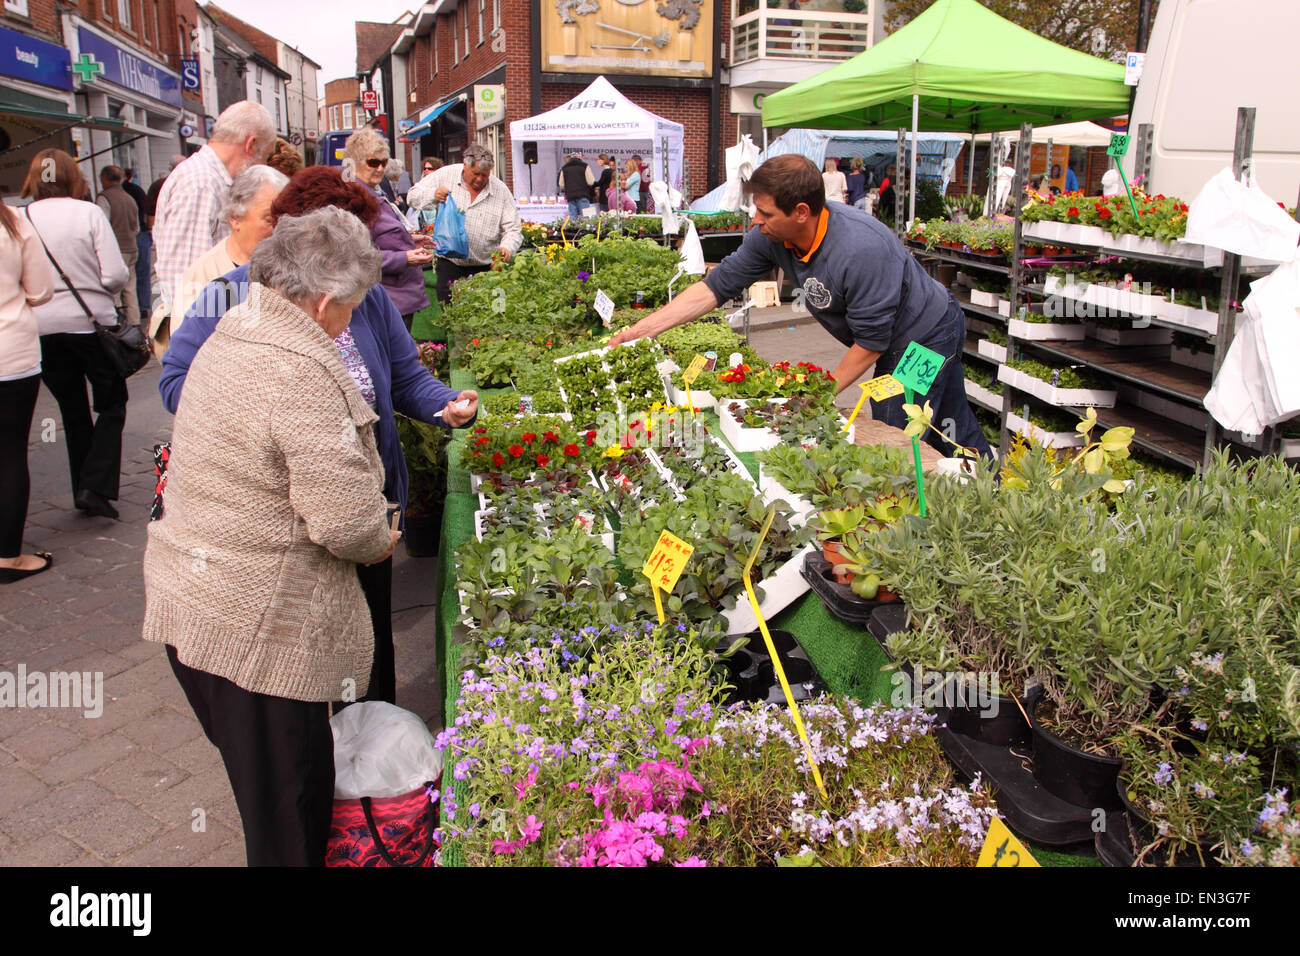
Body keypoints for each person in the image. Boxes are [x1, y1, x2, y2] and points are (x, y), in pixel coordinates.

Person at [159, 166, 478, 708]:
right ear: (296, 238)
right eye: (341, 239)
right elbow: (174, 384)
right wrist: (260, 398)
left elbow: (405, 376)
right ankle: (315, 756)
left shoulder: (365, 295)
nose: (355, 255)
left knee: (370, 653)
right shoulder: (231, 296)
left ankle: (369, 761)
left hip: (366, 508)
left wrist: (445, 407)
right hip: (282, 529)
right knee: (300, 665)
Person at [144, 207, 400, 867]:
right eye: (350, 307)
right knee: (289, 822)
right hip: (256, 638)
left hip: (201, 611)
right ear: (321, 302)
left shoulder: (241, 326)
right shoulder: (299, 368)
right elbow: (345, 521)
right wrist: (382, 534)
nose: (351, 320)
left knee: (273, 802)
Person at [609, 153, 993, 460]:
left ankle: (956, 509)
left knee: (897, 429)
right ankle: (989, 486)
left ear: (802, 212)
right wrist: (641, 330)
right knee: (949, 421)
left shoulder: (861, 249)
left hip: (926, 335)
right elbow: (717, 286)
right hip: (889, 333)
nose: (756, 220)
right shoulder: (770, 236)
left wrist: (813, 399)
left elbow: (872, 343)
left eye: (766, 213)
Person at [20, 149, 132, 519]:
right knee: (112, 402)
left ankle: (83, 488)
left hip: (42, 326)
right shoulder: (87, 213)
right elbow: (116, 274)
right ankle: (95, 485)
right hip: (89, 324)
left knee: (72, 408)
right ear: (73, 176)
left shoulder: (21, 218)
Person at [152, 101, 277, 316]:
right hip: (203, 334)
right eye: (266, 156)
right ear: (251, 144)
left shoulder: (209, 180)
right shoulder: (201, 184)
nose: (263, 165)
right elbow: (189, 283)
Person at [0, 199, 56, 582]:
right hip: (10, 353)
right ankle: (7, 556)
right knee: (9, 454)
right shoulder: (12, 222)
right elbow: (40, 291)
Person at [169, 165, 288, 331]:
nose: (279, 228)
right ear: (235, 218)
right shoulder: (202, 275)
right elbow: (184, 349)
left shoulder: (291, 266)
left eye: (284, 218)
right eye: (269, 220)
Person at [406, 142, 522, 304]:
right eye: (475, 174)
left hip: (488, 268)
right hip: (451, 265)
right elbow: (412, 196)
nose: (480, 179)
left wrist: (507, 247)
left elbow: (514, 229)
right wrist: (433, 195)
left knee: (490, 317)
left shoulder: (500, 190)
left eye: (485, 175)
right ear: (465, 167)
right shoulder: (446, 175)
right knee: (452, 317)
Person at [343, 128, 432, 327]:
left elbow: (378, 236)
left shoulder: (371, 192)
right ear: (356, 161)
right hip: (382, 300)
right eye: (374, 162)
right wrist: (404, 257)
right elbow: (353, 257)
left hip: (393, 299)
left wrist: (410, 240)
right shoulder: (354, 199)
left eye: (384, 162)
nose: (381, 168)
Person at [96, 165, 141, 329]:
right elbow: (136, 227)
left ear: (105, 179)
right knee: (130, 287)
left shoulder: (104, 198)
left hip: (116, 248)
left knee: (114, 288)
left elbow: (102, 226)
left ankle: (116, 321)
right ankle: (135, 321)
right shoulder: (129, 198)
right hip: (131, 246)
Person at [121, 168, 151, 315]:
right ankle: (142, 308)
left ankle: (127, 314)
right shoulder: (137, 191)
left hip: (122, 242)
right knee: (140, 276)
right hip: (139, 236)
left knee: (127, 281)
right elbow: (146, 212)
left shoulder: (107, 196)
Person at [558, 151, 595, 220]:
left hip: (571, 196)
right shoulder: (585, 166)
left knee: (573, 219)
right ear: (579, 157)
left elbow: (561, 184)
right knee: (586, 218)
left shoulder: (564, 167)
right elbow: (591, 182)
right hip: (583, 195)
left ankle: (574, 231)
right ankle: (585, 231)